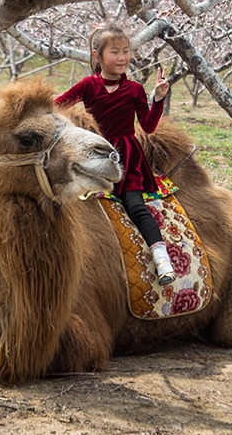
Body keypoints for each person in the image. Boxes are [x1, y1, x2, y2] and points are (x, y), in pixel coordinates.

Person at [55, 23, 176, 284]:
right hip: (93, 154)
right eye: (115, 52)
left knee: (136, 207)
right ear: (97, 56)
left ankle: (161, 259)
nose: (122, 58)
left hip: (125, 158)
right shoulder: (88, 85)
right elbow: (58, 104)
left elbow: (148, 126)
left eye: (126, 51)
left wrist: (157, 99)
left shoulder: (133, 89)